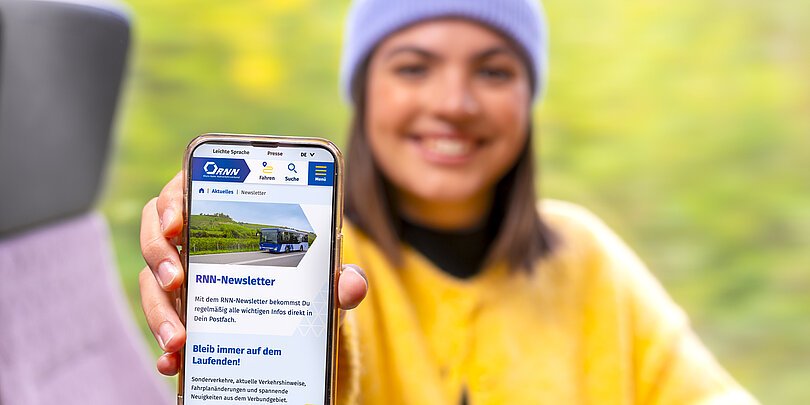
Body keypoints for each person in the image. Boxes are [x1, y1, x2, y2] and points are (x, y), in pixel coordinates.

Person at [138, 0, 759, 403]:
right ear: (365, 93)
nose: (455, 103)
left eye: (493, 72)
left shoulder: (589, 260)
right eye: (414, 69)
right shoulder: (308, 257)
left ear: (528, 98)